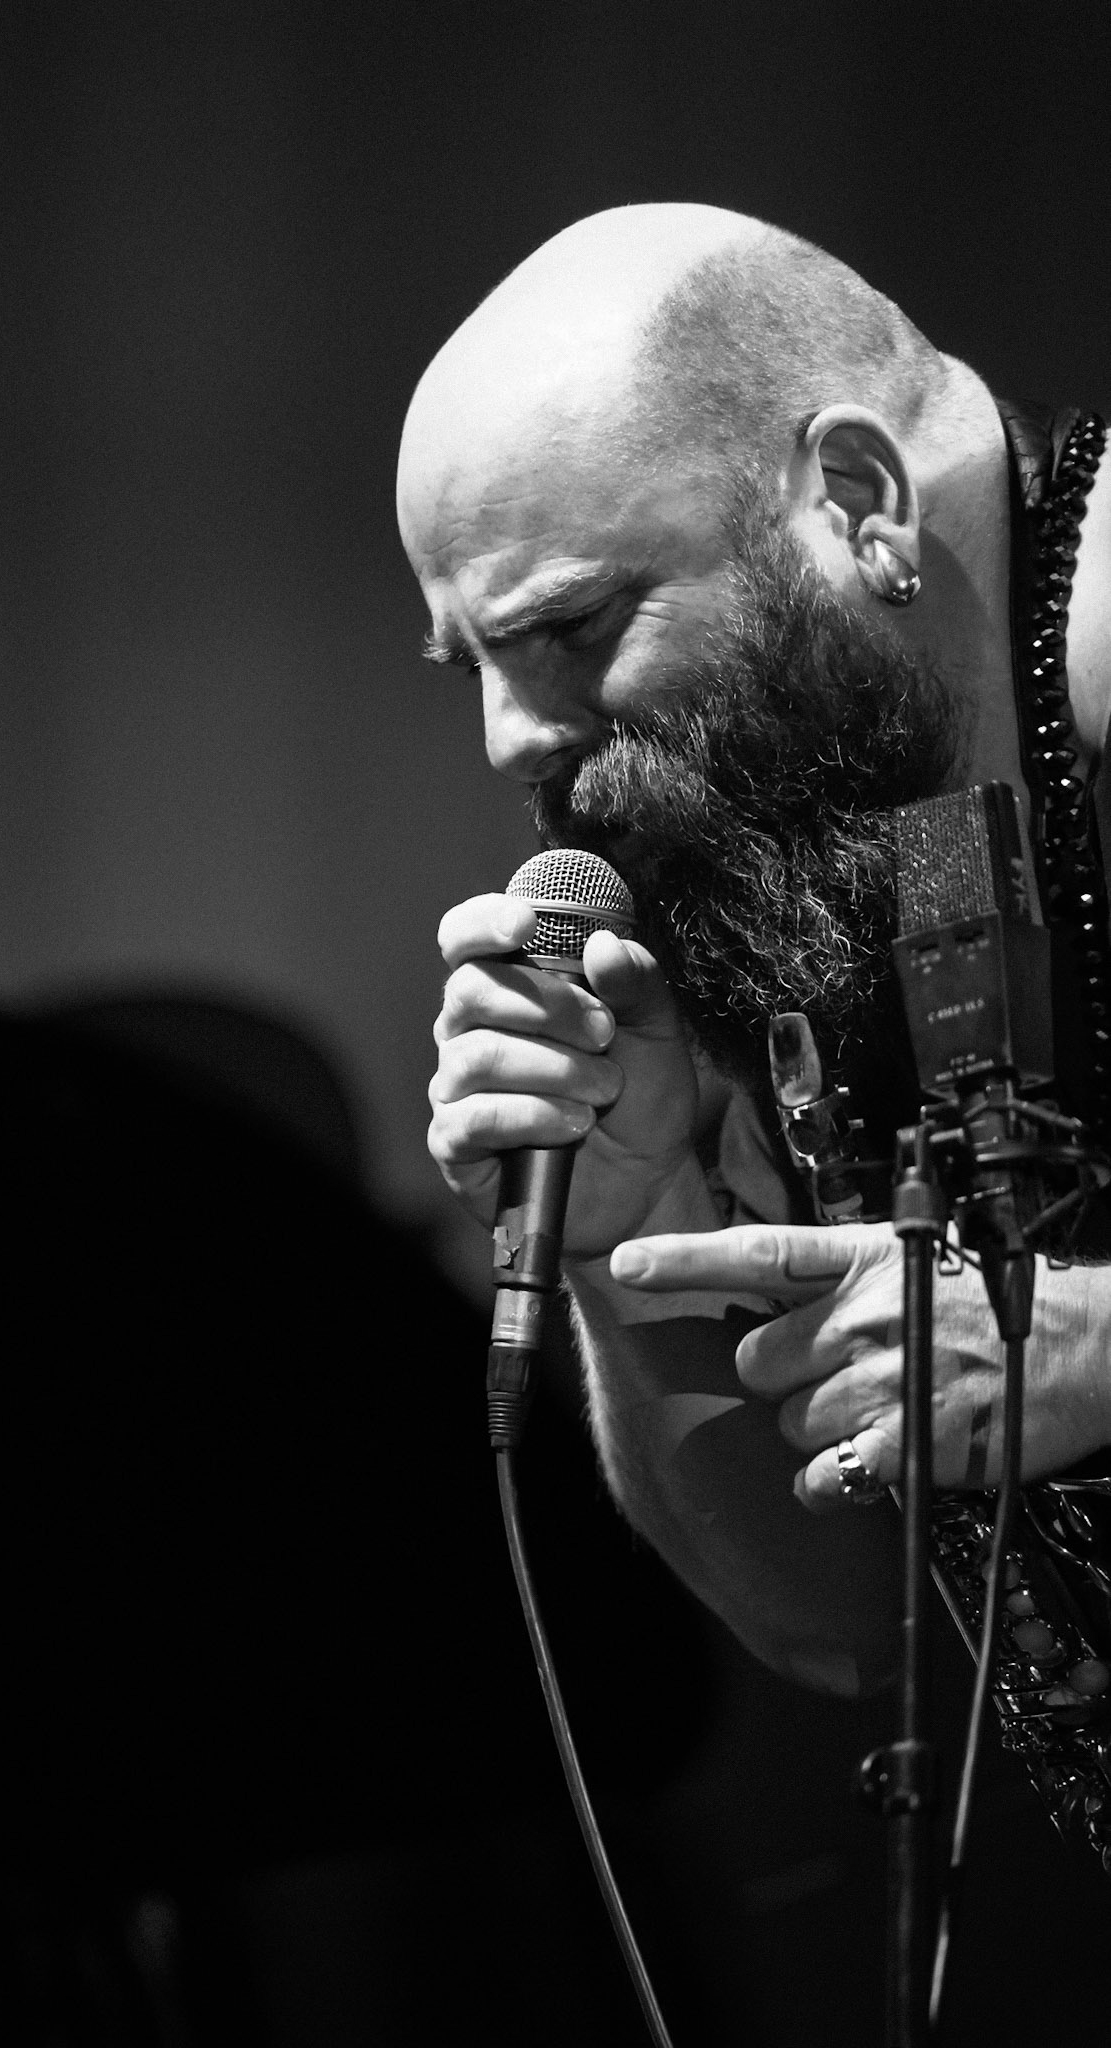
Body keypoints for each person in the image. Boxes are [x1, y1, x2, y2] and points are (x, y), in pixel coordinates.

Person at [397, 203, 1111, 1696]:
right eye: (472, 663)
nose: (509, 737)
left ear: (854, 493)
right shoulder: (810, 795)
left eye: (573, 622)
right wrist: (624, 1231)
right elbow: (852, 1634)